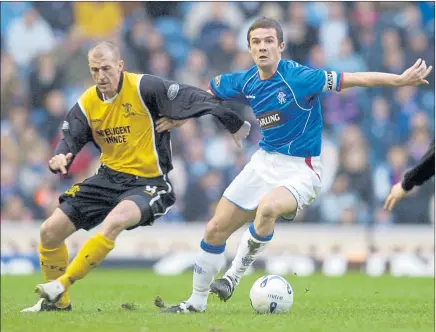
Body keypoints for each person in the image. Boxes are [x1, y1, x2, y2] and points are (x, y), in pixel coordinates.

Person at [160, 17, 433, 313]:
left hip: (302, 169)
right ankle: (195, 304)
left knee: (267, 208)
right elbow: (207, 92)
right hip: (263, 163)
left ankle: (233, 276)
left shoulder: (301, 78)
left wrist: (398, 80)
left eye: (268, 41)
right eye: (256, 42)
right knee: (214, 229)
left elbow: (354, 78)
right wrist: (180, 117)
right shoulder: (245, 81)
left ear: (281, 46)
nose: (262, 47)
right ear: (249, 48)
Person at [21, 41, 250, 313]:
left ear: (120, 65)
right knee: (49, 232)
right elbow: (70, 138)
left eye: (106, 68)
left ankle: (62, 284)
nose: (100, 76)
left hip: (149, 182)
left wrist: (232, 122)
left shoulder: (145, 88)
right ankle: (58, 306)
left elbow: (193, 96)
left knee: (116, 220)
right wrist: (61, 155)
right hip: (107, 179)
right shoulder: (88, 102)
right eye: (95, 70)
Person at [384, 140, 435, 211]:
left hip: (418, 209)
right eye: (394, 155)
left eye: (399, 154)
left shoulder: (411, 171)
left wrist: (406, 185)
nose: (396, 158)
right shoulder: (383, 173)